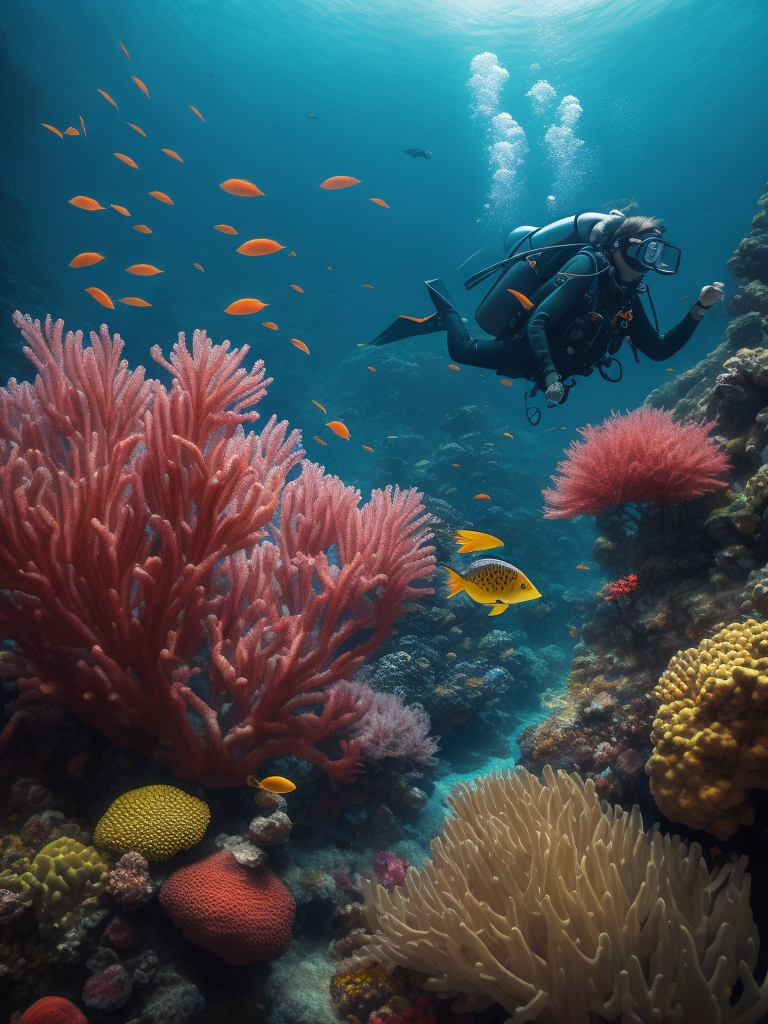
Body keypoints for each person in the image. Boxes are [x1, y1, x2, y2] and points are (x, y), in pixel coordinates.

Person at [370, 210, 724, 421]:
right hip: (525, 350)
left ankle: (444, 316)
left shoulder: (627, 293)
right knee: (459, 351)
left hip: (550, 365)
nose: (651, 263)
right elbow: (538, 321)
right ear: (621, 247)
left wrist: (700, 308)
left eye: (658, 254)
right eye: (647, 251)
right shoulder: (588, 266)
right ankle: (444, 310)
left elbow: (658, 350)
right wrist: (552, 376)